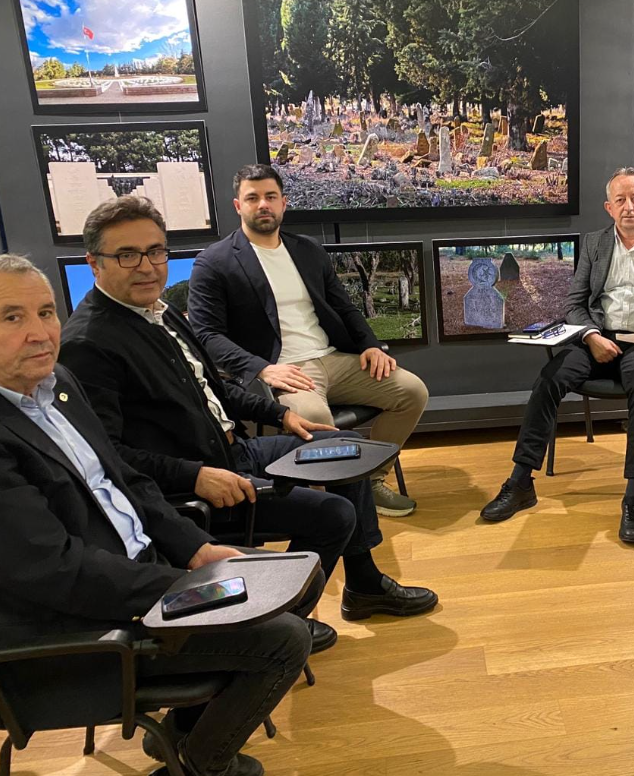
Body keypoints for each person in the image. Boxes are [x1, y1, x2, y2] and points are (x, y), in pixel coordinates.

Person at [0, 254, 316, 776]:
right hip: (73, 630)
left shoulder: (56, 382)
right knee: (284, 639)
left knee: (295, 578)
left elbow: (125, 479)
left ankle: (183, 735)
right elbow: (51, 571)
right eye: (12, 317)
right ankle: (201, 764)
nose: (39, 333)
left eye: (46, 312)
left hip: (138, 573)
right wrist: (180, 586)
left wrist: (195, 548)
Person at [58, 197, 437, 626]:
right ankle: (283, 621)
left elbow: (214, 390)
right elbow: (107, 458)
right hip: (197, 487)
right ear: (94, 263)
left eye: (155, 251)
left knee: (345, 449)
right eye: (127, 255)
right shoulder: (89, 344)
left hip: (234, 451)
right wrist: (195, 476)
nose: (147, 267)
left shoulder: (160, 313)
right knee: (335, 514)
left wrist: (280, 416)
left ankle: (363, 585)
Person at [187, 164, 428, 517]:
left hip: (334, 358)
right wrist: (262, 368)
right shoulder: (213, 262)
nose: (263, 204)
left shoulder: (307, 249)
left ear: (283, 203)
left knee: (412, 391)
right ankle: (337, 506)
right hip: (284, 369)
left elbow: (344, 306)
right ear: (238, 206)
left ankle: (371, 481)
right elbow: (206, 335)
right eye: (252, 198)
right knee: (314, 417)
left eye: (270, 197)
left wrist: (370, 345)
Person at [479, 167, 634, 544]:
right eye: (620, 200)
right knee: (549, 380)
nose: (628, 207)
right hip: (598, 338)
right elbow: (574, 304)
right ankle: (520, 482)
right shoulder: (595, 243)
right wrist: (591, 335)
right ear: (608, 207)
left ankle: (633, 497)